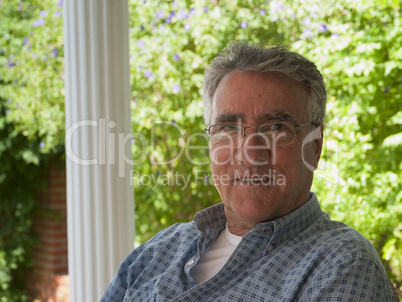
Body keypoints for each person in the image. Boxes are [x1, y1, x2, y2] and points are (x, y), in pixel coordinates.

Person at [101, 42, 396, 301]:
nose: (251, 151)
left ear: (315, 147)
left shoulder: (341, 264)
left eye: (277, 127)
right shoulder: (159, 251)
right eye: (228, 127)